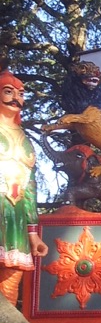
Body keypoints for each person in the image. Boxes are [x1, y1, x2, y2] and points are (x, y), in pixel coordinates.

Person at [0, 71, 48, 306]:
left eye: (20, 94)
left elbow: (29, 186)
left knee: (12, 276)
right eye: (8, 92)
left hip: (16, 215)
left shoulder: (24, 138)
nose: (15, 99)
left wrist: (32, 232)